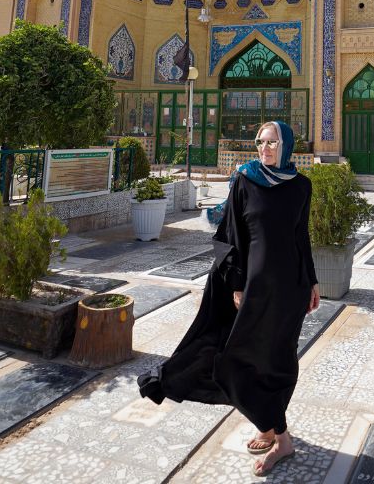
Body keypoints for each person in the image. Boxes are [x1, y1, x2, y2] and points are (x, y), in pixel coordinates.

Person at [137, 119, 320, 476]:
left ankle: (274, 434)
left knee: (276, 360)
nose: (263, 149)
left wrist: (312, 281)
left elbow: (301, 237)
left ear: (285, 145)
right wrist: (236, 283)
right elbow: (230, 235)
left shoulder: (301, 185)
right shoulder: (246, 181)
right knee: (236, 362)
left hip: (289, 290)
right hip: (251, 291)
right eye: (259, 142)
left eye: (270, 142)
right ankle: (275, 429)